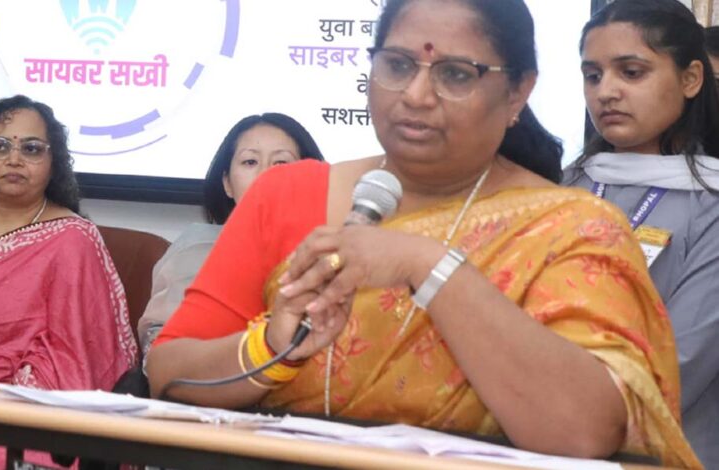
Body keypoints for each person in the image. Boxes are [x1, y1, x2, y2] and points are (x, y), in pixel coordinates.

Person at [147, 0, 700, 467]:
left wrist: (429, 267)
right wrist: (271, 347)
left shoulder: (573, 229)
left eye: (455, 74)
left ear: (517, 93)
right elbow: (168, 378)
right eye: (397, 64)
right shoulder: (286, 195)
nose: (415, 94)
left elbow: (585, 432)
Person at [0, 95, 138, 468]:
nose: (14, 159)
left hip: (13, 422)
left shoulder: (72, 241)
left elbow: (75, 362)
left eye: (31, 149)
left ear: (53, 163)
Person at [562, 1, 719, 468]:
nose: (606, 92)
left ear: (691, 79)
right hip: (538, 443)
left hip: (661, 453)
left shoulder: (711, 203)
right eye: (593, 76)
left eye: (631, 72)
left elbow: (679, 364)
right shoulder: (561, 186)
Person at [137, 113, 325, 354]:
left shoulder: (331, 250)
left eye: (281, 163)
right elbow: (159, 351)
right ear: (227, 183)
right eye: (250, 162)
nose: (265, 175)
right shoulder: (195, 250)